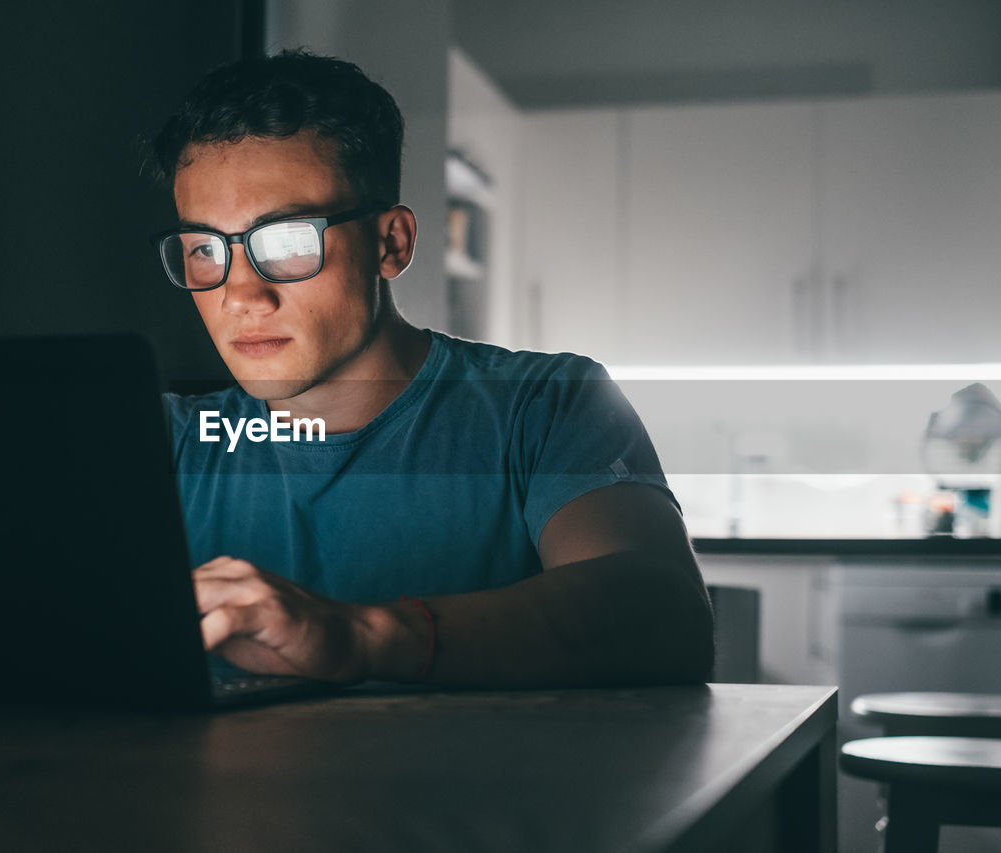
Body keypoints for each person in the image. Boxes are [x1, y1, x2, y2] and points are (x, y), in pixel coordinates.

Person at [150, 49, 713, 688]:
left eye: (288, 242)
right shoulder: (161, 441)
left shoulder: (545, 404)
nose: (241, 295)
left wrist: (360, 637)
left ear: (391, 243)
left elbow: (664, 615)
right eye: (204, 249)